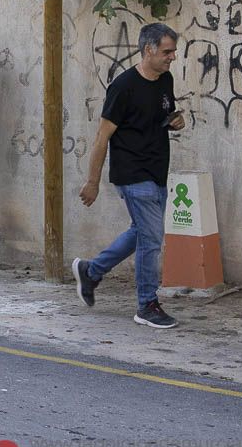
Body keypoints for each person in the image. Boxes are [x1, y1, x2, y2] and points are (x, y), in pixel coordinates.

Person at [75, 23, 185, 330]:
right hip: (132, 172)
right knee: (152, 239)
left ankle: (91, 271)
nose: (172, 57)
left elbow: (164, 115)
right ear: (148, 49)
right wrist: (93, 181)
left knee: (141, 232)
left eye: (173, 51)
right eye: (167, 51)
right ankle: (146, 304)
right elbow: (102, 136)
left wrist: (176, 120)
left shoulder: (166, 80)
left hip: (156, 170)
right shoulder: (123, 87)